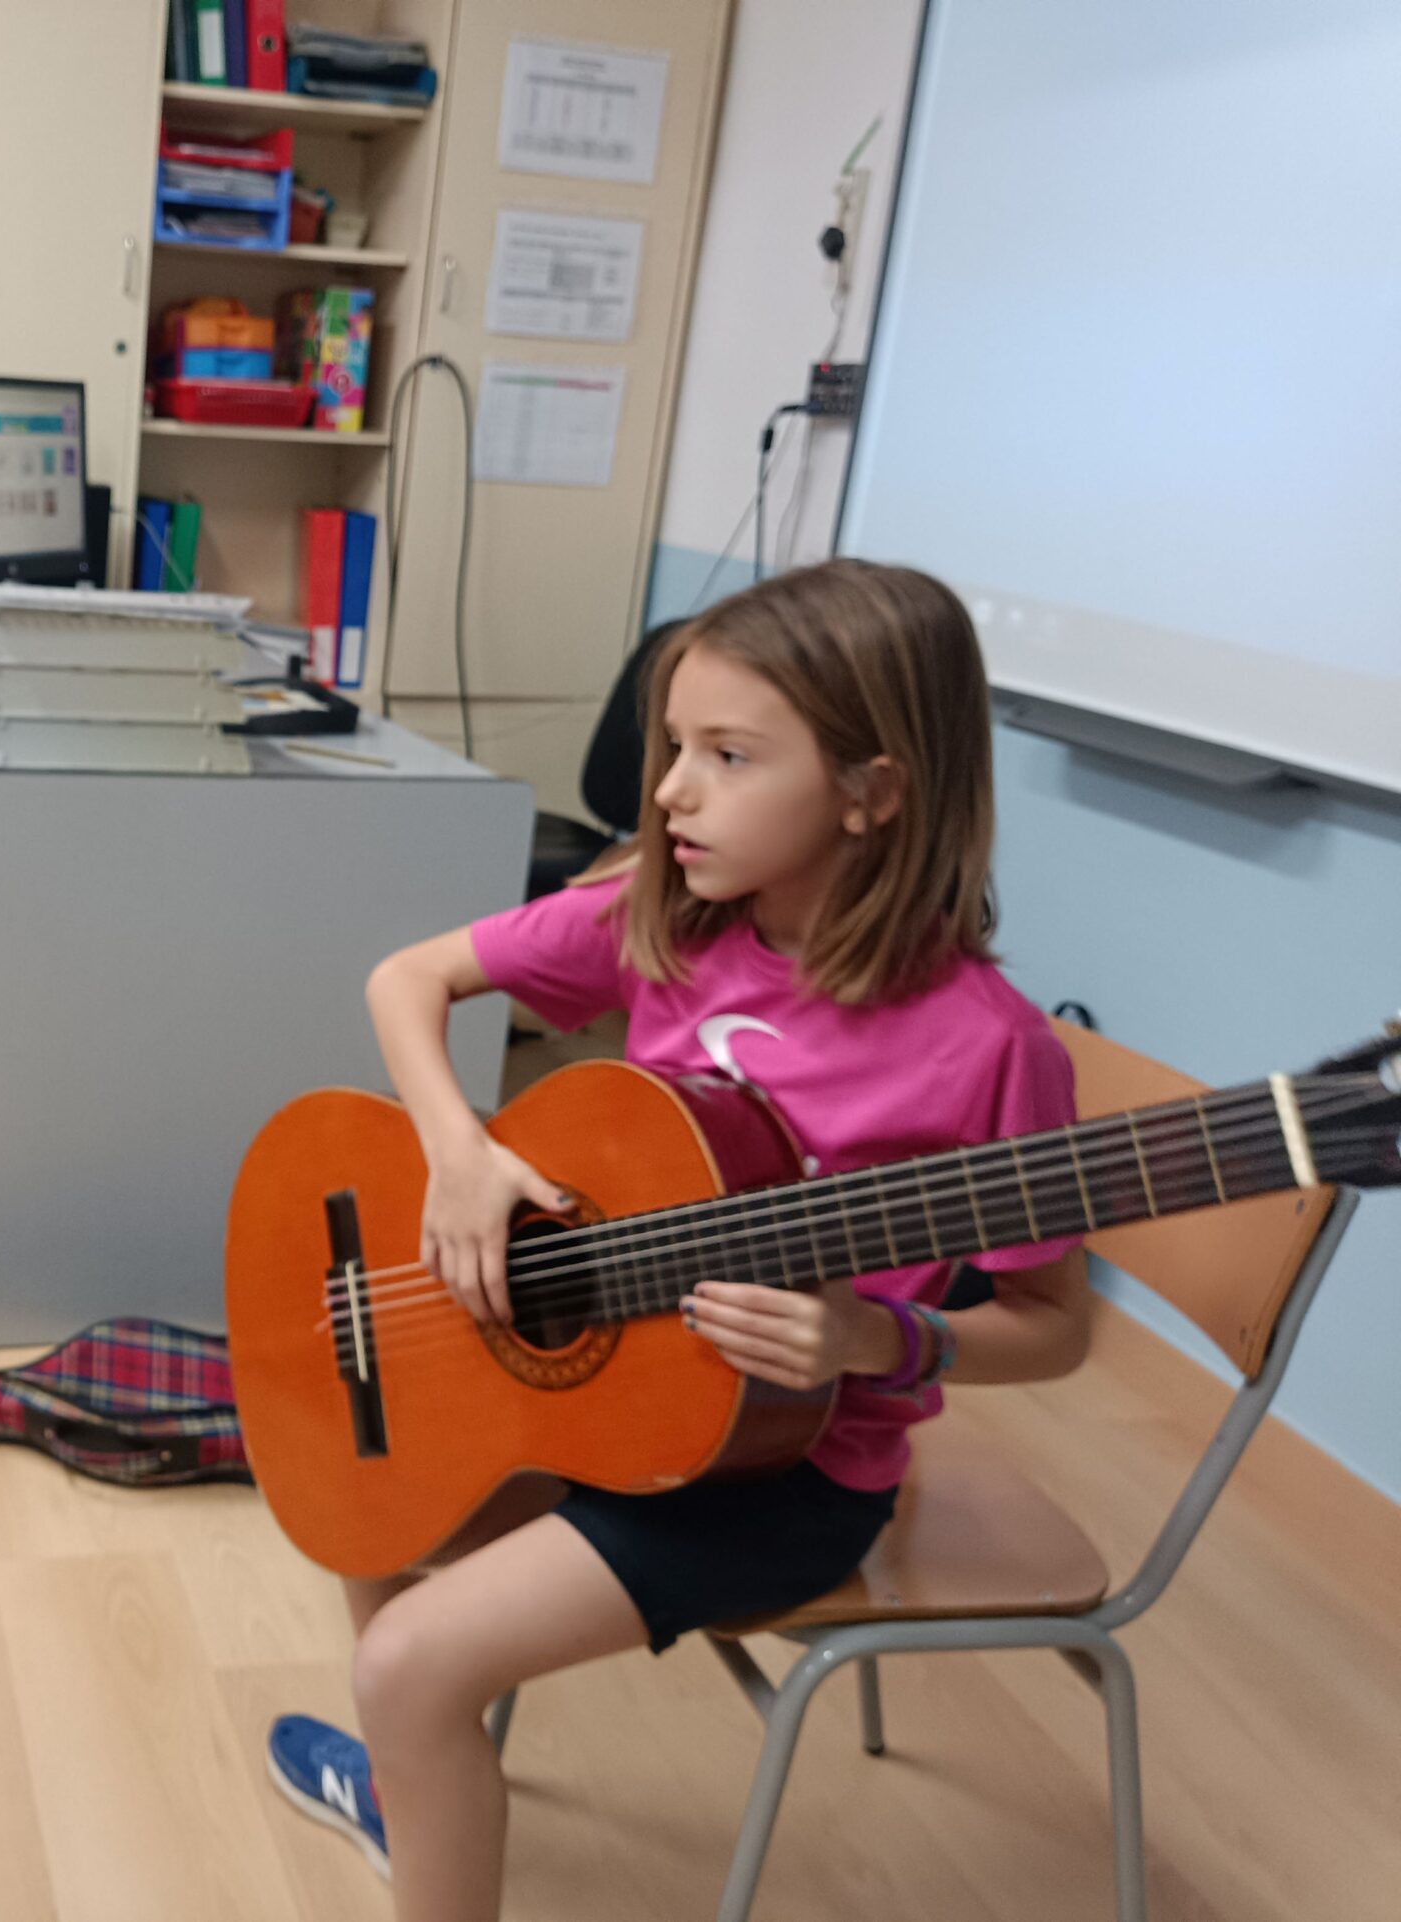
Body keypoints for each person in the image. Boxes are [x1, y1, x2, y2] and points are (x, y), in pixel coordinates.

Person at [264, 559, 1092, 1920]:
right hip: (615, 1387)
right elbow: (408, 978)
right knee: (363, 1469)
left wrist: (879, 1336)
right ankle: (418, 1796)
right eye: (673, 747)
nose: (668, 793)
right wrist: (457, 1152)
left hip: (786, 1471)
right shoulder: (668, 913)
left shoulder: (992, 1051)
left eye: (727, 755)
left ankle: (412, 1756)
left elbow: (1054, 1328)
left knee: (407, 1660)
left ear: (874, 790)